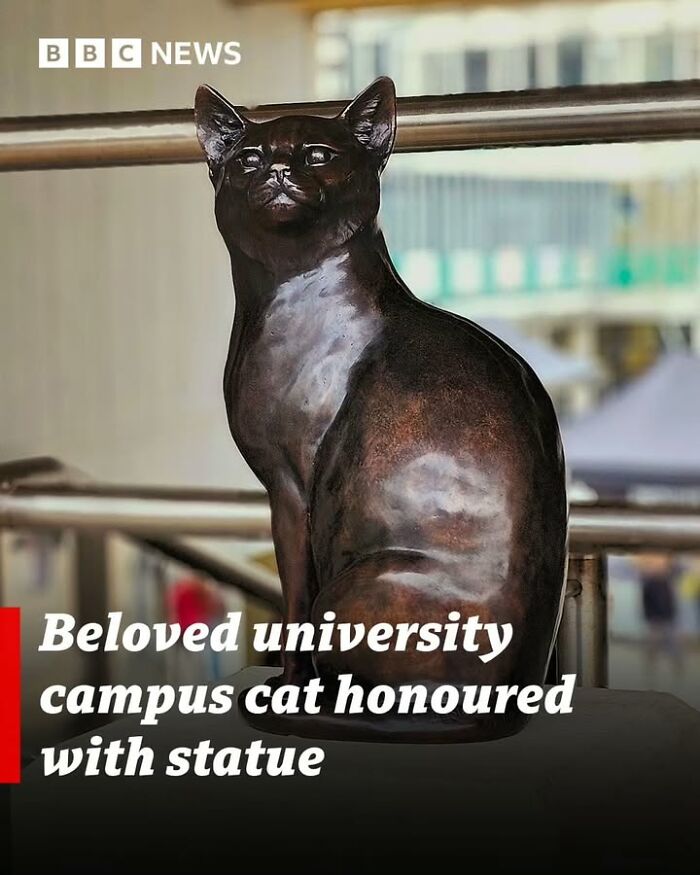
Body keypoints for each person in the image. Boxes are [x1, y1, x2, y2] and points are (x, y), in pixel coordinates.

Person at [636, 553, 683, 677]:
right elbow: (646, 600)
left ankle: (677, 667)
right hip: (655, 616)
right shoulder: (648, 579)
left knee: (672, 642)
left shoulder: (668, 577)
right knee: (653, 643)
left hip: (667, 614)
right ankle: (650, 668)